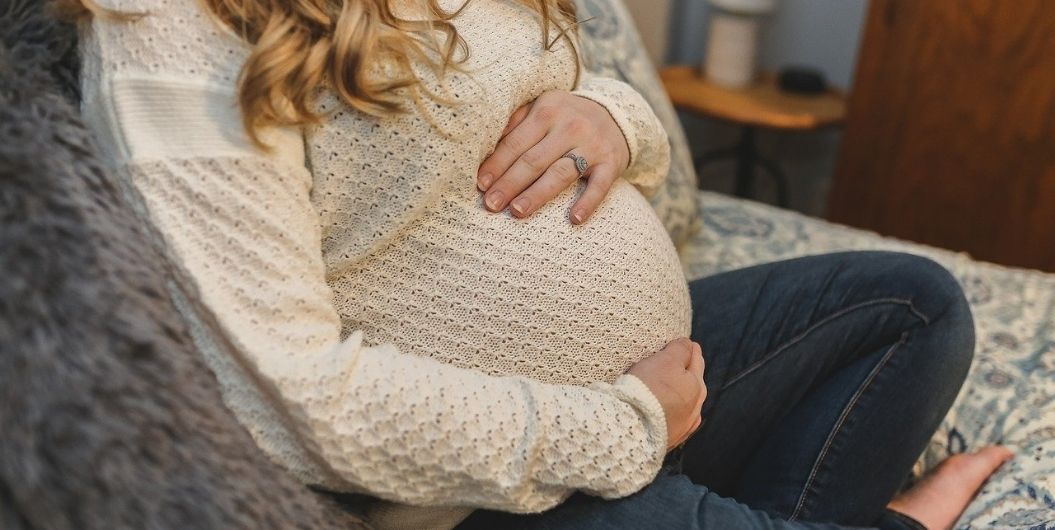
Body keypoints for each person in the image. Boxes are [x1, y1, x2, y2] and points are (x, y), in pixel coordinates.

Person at [69, 0, 1011, 529]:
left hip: (646, 399)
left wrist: (611, 112)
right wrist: (625, 426)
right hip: (467, 491)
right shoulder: (167, 34)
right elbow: (292, 396)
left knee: (913, 306)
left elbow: (545, 99)